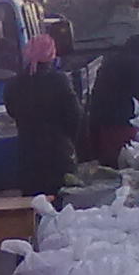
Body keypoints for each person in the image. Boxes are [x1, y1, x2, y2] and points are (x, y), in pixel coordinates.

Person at [4, 33, 81, 198]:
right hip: (57, 155)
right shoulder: (59, 81)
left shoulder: (14, 84)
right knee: (59, 207)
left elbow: (12, 111)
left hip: (28, 155)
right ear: (51, 55)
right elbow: (74, 116)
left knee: (34, 206)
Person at [86, 34, 139, 167]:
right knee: (120, 159)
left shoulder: (112, 59)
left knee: (105, 160)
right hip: (117, 119)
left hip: (97, 117)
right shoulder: (134, 63)